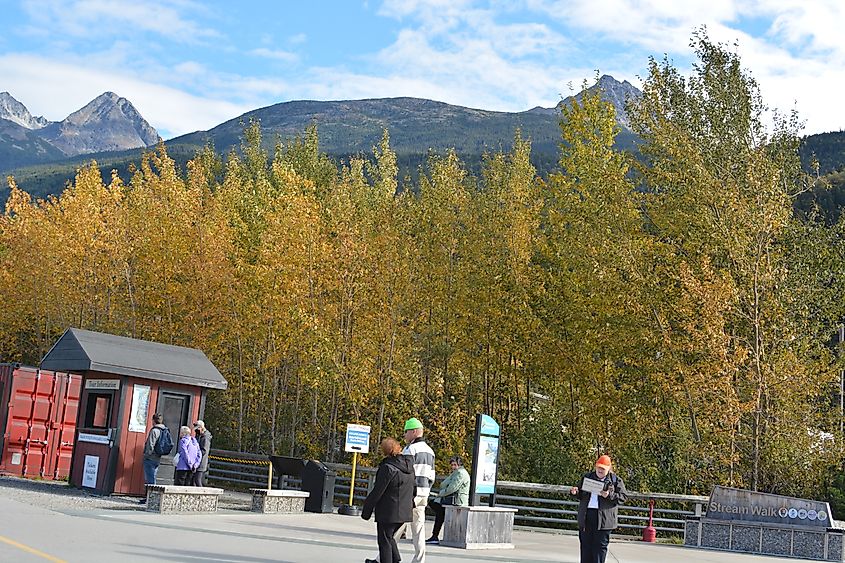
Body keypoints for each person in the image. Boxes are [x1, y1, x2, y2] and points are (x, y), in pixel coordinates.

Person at [361, 438, 415, 563]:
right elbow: (414, 489)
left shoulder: (387, 468)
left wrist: (366, 511)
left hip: (388, 512)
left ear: (385, 451)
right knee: (390, 537)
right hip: (405, 511)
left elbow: (377, 491)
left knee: (384, 541)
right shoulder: (409, 467)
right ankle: (396, 560)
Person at [569, 454, 628, 563]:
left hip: (604, 519)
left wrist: (609, 495)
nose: (600, 470)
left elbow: (623, 497)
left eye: (603, 468)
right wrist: (575, 492)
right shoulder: (587, 477)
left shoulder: (616, 480)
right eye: (598, 467)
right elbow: (580, 493)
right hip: (587, 516)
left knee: (600, 547)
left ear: (609, 469)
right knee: (586, 545)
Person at [402, 417, 435, 563]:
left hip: (410, 494)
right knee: (419, 530)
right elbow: (432, 476)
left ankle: (383, 558)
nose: (404, 435)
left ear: (414, 432)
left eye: (406, 431)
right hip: (423, 494)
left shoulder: (410, 449)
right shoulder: (430, 451)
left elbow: (404, 472)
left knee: (396, 526)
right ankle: (419, 560)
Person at [425, 456, 470, 545]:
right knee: (437, 510)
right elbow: (444, 484)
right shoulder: (456, 473)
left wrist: (440, 494)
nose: (453, 467)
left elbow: (452, 488)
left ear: (459, 464)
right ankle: (435, 535)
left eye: (455, 465)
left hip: (457, 501)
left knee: (437, 509)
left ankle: (435, 535)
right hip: (451, 499)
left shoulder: (460, 473)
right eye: (452, 465)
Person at [141, 413, 167, 503]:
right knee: (153, 477)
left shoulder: (154, 430)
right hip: (157, 457)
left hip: (151, 458)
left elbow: (150, 445)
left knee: (150, 479)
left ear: (153, 420)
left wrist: (146, 456)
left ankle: (150, 498)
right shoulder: (164, 430)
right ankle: (151, 497)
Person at [192, 420, 212, 486]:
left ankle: (201, 494)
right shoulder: (199, 436)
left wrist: (196, 454)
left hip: (201, 462)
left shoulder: (205, 437)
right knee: (194, 480)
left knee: (197, 480)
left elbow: (204, 450)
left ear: (201, 428)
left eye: (197, 429)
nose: (196, 431)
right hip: (197, 461)